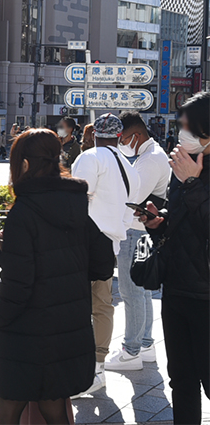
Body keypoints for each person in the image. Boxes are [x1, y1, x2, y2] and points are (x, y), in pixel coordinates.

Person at [0, 129, 115, 424]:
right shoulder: (77, 203)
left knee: (8, 408)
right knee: (54, 407)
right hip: (67, 326)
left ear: (26, 165)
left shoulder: (24, 211)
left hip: (25, 331)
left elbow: (18, 284)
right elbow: (103, 263)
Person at [138, 91, 209, 424]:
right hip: (176, 288)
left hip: (207, 296)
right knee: (181, 380)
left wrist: (192, 182)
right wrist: (157, 221)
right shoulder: (184, 163)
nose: (183, 133)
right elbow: (182, 221)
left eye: (190, 126)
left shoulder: (188, 171)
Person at [71, 113, 141, 397]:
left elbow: (76, 198)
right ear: (120, 136)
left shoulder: (91, 157)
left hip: (84, 239)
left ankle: (80, 368)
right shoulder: (130, 166)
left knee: (75, 304)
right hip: (109, 241)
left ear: (95, 134)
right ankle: (98, 368)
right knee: (103, 305)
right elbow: (129, 213)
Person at [104, 112, 170, 372]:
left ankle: (131, 351)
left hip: (134, 231)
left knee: (132, 293)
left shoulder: (150, 159)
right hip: (140, 231)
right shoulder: (151, 154)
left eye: (122, 138)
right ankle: (145, 345)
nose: (120, 142)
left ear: (136, 136)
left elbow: (130, 196)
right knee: (141, 292)